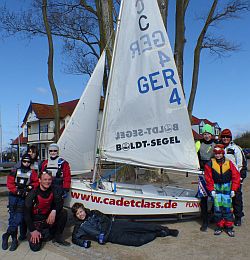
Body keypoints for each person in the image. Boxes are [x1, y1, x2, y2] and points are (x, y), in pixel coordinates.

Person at [71, 202, 179, 247]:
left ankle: (167, 230)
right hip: (113, 237)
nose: (80, 214)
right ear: (76, 216)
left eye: (81, 211)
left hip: (115, 225)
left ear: (84, 209)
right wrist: (84, 243)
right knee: (137, 241)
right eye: (78, 213)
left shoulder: (94, 213)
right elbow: (75, 239)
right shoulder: (79, 227)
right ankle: (157, 234)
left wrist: (102, 233)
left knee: (141, 227)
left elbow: (105, 219)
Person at [24, 170, 70, 252]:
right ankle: (43, 233)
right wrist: (32, 230)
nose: (47, 182)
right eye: (45, 179)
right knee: (35, 248)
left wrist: (54, 210)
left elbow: (60, 203)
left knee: (63, 212)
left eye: (49, 179)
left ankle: (58, 237)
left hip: (47, 219)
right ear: (39, 180)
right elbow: (26, 214)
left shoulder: (54, 190)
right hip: (36, 222)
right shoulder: (33, 193)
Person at [2, 154, 39, 251]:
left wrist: (29, 188)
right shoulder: (14, 171)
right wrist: (16, 190)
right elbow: (9, 183)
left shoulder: (32, 172)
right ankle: (14, 240)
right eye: (24, 161)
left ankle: (6, 235)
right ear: (21, 161)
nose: (26, 164)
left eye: (28, 162)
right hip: (14, 196)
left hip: (23, 197)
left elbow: (36, 182)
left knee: (19, 218)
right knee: (12, 218)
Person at [204, 144, 240, 237]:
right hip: (216, 189)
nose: (218, 155)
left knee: (228, 209)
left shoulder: (229, 163)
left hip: (227, 188)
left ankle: (228, 227)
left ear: (223, 153)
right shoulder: (210, 164)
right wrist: (211, 189)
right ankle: (219, 226)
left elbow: (236, 176)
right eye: (216, 153)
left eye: (220, 153)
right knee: (217, 209)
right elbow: (208, 178)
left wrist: (233, 189)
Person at [220, 128, 247, 226]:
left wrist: (240, 178)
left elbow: (242, 164)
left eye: (227, 137)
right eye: (223, 136)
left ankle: (238, 217)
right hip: (222, 178)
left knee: (237, 198)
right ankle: (224, 217)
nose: (225, 138)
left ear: (230, 138)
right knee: (223, 198)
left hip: (235, 178)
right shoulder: (219, 148)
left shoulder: (236, 148)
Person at [195, 124, 216, 232]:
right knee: (203, 197)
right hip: (202, 173)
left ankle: (212, 216)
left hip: (213, 173)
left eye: (208, 134)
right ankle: (205, 221)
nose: (206, 136)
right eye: (204, 134)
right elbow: (193, 154)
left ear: (211, 134)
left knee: (214, 196)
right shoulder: (199, 143)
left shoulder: (215, 145)